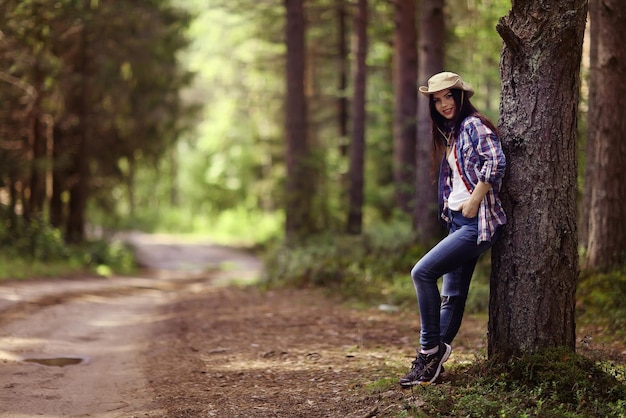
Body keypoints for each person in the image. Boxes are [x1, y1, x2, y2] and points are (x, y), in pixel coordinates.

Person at [398, 72, 506, 387]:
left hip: (476, 223)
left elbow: (496, 161)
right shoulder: (452, 133)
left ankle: (427, 348)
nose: (444, 104)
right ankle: (431, 365)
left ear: (461, 96)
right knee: (452, 295)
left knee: (422, 273)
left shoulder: (473, 125)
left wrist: (474, 201)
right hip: (459, 222)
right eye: (437, 99)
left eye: (449, 96)